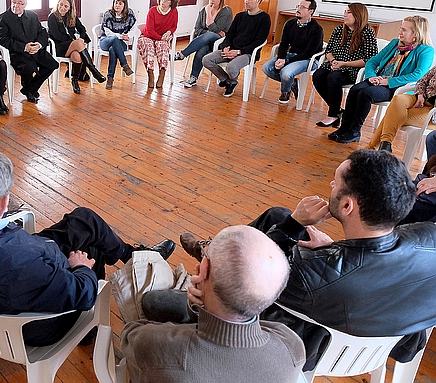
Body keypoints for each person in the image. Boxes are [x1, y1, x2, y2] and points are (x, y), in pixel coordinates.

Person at [183, 150, 436, 370]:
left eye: (335, 183)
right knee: (277, 216)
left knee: (190, 294)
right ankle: (212, 251)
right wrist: (338, 249)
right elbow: (376, 267)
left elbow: (250, 281)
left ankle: (212, 259)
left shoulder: (307, 274)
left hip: (311, 345)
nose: (330, 184)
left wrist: (295, 224)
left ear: (347, 206)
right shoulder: (430, 236)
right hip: (387, 335)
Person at [0, 147, 176, 346]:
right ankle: (92, 326)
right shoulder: (19, 263)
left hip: (7, 259)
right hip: (34, 327)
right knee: (91, 250)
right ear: (1, 205)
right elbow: (82, 294)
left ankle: (134, 255)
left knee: (84, 220)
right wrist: (82, 268)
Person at [121, 226, 305, 383]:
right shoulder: (291, 346)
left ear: (202, 269)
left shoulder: (160, 347)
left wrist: (196, 309)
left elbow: (130, 334)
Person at [330, 16, 434, 143]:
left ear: (416, 34)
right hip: (378, 79)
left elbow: (418, 75)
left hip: (396, 87)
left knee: (365, 94)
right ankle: (344, 128)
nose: (400, 32)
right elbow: (372, 61)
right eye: (401, 29)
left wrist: (388, 82)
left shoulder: (426, 50)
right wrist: (371, 76)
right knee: (355, 89)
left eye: (404, 30)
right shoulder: (394, 43)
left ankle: (354, 132)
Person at [312, 3, 378, 127]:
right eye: (345, 11)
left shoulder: (367, 32)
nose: (345, 15)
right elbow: (328, 50)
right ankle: (337, 111)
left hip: (353, 69)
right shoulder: (339, 30)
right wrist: (333, 61)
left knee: (333, 78)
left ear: (358, 15)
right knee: (318, 75)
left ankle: (332, 115)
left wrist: (344, 64)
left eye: (349, 12)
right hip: (335, 65)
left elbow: (369, 59)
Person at [202, 0, 271, 98]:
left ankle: (230, 81)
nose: (246, 2)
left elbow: (258, 42)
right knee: (206, 60)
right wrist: (226, 47)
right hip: (231, 49)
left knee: (231, 67)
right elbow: (229, 35)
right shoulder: (240, 16)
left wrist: (239, 52)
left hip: (247, 53)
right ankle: (228, 80)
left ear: (258, 1)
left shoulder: (264, 18)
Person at [0, 0, 59, 103]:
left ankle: (30, 88)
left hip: (35, 50)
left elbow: (43, 32)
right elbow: (2, 40)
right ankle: (30, 91)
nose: (16, 6)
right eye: (14, 2)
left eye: (20, 3)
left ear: (26, 4)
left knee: (52, 64)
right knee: (29, 66)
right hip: (17, 53)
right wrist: (24, 47)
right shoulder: (3, 18)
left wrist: (38, 45)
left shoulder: (32, 16)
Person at [261, 0, 324, 104]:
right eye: (298, 6)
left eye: (302, 7)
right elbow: (283, 44)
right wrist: (281, 58)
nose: (298, 9)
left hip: (308, 59)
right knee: (267, 68)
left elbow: (308, 53)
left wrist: (286, 61)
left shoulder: (317, 29)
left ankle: (285, 92)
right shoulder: (289, 24)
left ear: (311, 11)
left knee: (286, 73)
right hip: (290, 55)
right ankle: (293, 83)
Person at [366, 67, 436, 152]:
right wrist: (420, 95)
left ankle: (375, 148)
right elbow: (422, 81)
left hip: (433, 113)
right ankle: (384, 145)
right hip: (422, 99)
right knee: (398, 99)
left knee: (393, 115)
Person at [47, 0, 107, 94]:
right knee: (78, 43)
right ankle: (93, 70)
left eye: (65, 6)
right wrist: (74, 41)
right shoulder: (52, 17)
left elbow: (82, 29)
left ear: (70, 8)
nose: (62, 8)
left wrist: (81, 39)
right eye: (60, 4)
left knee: (77, 56)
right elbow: (57, 36)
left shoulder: (71, 17)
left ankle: (74, 81)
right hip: (58, 47)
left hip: (71, 46)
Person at [176, 0, 233, 88]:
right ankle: (193, 78)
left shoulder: (226, 11)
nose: (212, 0)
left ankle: (182, 54)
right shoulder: (203, 9)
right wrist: (211, 30)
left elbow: (216, 29)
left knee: (210, 34)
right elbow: (197, 29)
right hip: (204, 41)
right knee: (203, 48)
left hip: (219, 42)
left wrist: (209, 14)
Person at [137, 0, 179, 89]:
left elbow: (174, 26)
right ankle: (150, 74)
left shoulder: (174, 11)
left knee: (163, 47)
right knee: (148, 47)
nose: (163, 1)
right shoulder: (152, 11)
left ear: (171, 2)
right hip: (147, 36)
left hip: (162, 37)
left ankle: (162, 73)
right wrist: (161, 38)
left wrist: (169, 32)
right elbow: (150, 31)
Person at [99, 0, 137, 89]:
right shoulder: (108, 14)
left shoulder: (130, 14)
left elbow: (134, 28)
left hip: (121, 43)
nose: (117, 5)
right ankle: (124, 64)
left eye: (120, 3)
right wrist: (121, 36)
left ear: (125, 5)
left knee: (113, 49)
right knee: (114, 40)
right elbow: (108, 33)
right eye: (116, 3)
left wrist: (128, 36)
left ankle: (110, 79)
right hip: (105, 41)